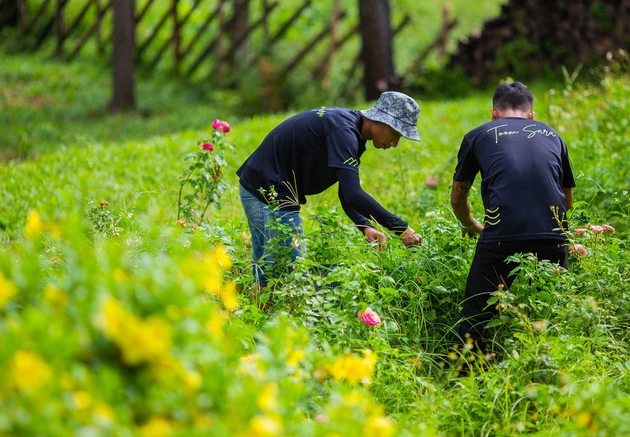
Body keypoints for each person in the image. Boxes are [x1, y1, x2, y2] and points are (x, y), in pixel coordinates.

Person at [237, 91, 424, 292]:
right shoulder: (344, 132)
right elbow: (354, 194)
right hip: (269, 193)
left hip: (261, 187)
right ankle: (277, 317)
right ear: (381, 121)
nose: (395, 143)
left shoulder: (350, 129)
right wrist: (400, 228)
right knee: (291, 274)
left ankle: (256, 316)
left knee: (270, 273)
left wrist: (365, 226)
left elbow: (346, 191)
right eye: (395, 134)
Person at [450, 81, 575, 354]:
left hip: (501, 235)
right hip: (553, 232)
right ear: (531, 114)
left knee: (477, 315)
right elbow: (566, 198)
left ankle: (468, 374)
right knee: (551, 308)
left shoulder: (477, 134)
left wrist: (468, 224)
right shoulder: (553, 134)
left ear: (493, 113)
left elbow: (458, 197)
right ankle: (550, 363)